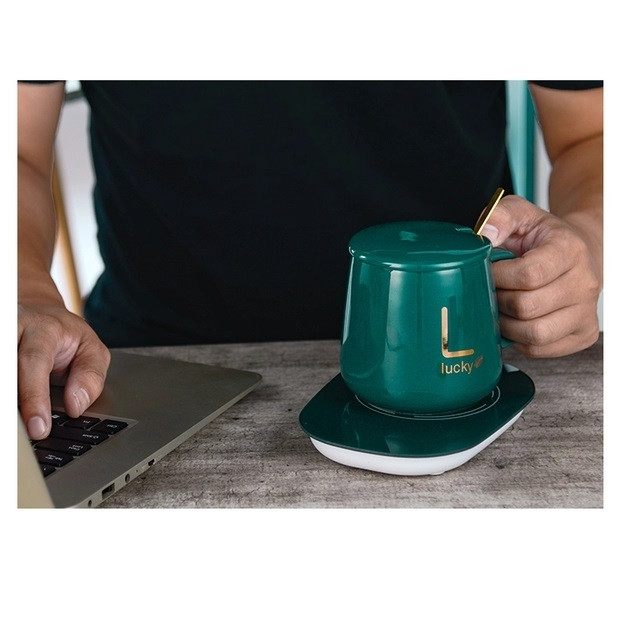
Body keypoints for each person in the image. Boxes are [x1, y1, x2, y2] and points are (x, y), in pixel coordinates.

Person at [18, 80, 603, 440]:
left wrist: (584, 240)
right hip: (151, 368)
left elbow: (589, 136)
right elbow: (17, 150)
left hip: (465, 366)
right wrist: (28, 296)